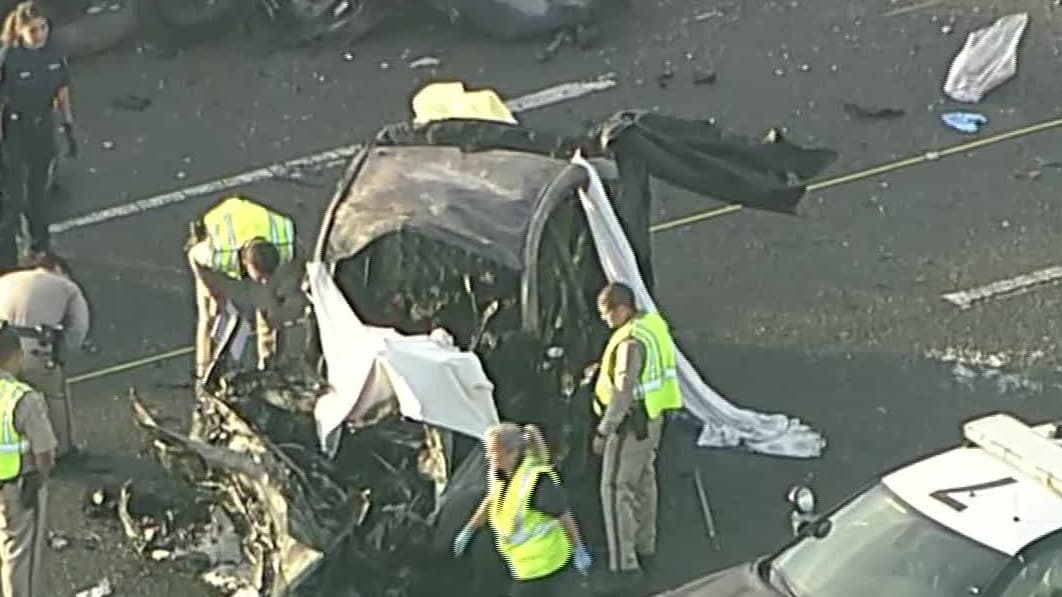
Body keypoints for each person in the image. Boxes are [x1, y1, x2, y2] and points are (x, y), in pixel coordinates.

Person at [591, 281, 683, 585]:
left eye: (607, 313)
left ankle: (624, 567)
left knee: (616, 489)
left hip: (630, 426)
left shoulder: (630, 342)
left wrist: (604, 431)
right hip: (653, 419)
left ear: (622, 309)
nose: (605, 320)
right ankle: (646, 547)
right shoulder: (652, 325)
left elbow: (623, 392)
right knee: (644, 482)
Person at [453, 422, 593, 596]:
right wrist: (470, 528)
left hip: (546, 563)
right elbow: (492, 498)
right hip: (522, 564)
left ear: (512, 452)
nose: (488, 457)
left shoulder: (537, 481)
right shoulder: (501, 472)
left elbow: (563, 514)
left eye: (493, 451)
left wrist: (578, 547)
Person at [0, 1, 77, 268]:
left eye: (43, 27)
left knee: (38, 195)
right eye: (33, 30)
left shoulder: (54, 52)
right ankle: (7, 256)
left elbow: (62, 91)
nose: (40, 34)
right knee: (12, 198)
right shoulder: (9, 59)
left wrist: (68, 126)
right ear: (20, 31)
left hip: (42, 127)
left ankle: (40, 247)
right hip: (14, 130)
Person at [186, 195, 296, 381]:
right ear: (245, 262)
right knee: (212, 314)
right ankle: (204, 373)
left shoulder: (285, 245)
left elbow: (299, 260)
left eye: (267, 277)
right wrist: (212, 290)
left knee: (270, 309)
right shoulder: (219, 254)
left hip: (254, 228)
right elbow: (193, 257)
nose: (263, 282)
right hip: (220, 229)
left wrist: (281, 293)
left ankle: (269, 365)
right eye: (260, 277)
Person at [0, 250, 88, 459]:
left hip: (3, 346)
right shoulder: (67, 287)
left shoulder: (5, 280)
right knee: (54, 396)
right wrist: (61, 356)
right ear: (57, 268)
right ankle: (62, 450)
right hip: (38, 348)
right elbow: (78, 329)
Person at [0, 321, 57, 597]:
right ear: (13, 356)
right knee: (19, 554)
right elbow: (45, 452)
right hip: (17, 488)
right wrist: (41, 478)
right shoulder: (23, 398)